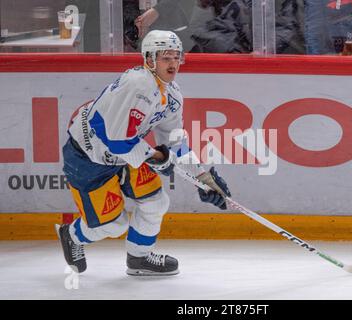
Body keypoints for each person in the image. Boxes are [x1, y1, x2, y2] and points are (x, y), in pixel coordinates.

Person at [55, 30, 231, 276]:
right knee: (113, 226)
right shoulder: (137, 84)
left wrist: (202, 178)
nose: (172, 64)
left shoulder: (171, 95)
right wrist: (157, 158)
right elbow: (116, 140)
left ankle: (139, 258)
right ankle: (72, 234)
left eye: (176, 57)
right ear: (149, 60)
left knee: (155, 203)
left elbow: (174, 140)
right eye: (165, 57)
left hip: (128, 153)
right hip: (88, 157)